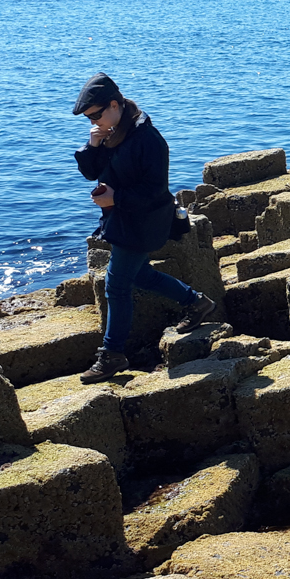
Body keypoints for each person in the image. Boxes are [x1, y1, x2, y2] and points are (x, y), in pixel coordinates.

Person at [71, 73, 214, 383]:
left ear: (114, 104)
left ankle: (112, 355)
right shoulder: (109, 133)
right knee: (141, 275)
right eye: (88, 120)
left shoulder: (148, 139)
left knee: (116, 285)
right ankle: (197, 302)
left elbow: (155, 190)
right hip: (123, 219)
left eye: (95, 116)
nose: (93, 122)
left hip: (145, 221)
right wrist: (92, 144)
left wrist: (115, 197)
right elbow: (90, 172)